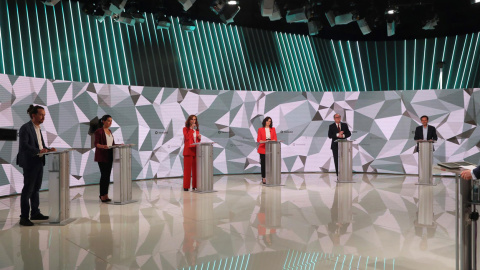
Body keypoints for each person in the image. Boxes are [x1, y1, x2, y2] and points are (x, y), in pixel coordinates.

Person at [17, 105, 56, 226]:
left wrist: (48, 150)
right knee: (28, 190)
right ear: (33, 115)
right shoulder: (25, 128)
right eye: (41, 114)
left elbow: (40, 145)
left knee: (36, 189)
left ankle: (35, 213)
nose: (43, 117)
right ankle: (24, 217)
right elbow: (24, 146)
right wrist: (39, 151)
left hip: (39, 162)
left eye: (44, 115)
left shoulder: (38, 128)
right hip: (30, 163)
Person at [94, 115, 116, 203]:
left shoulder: (110, 131)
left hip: (110, 155)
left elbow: (112, 143)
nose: (110, 123)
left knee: (107, 176)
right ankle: (102, 195)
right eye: (108, 121)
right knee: (104, 176)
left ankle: (106, 194)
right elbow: (96, 144)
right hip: (102, 156)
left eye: (111, 121)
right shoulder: (99, 131)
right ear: (103, 121)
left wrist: (119, 145)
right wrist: (103, 146)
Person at [257, 117, 277, 184]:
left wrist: (270, 141)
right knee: (263, 164)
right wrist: (265, 141)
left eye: (270, 121)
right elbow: (258, 140)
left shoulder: (273, 129)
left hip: (271, 149)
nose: (268, 122)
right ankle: (264, 178)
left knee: (271, 164)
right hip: (262, 149)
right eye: (267, 121)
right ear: (265, 121)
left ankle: (270, 177)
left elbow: (275, 139)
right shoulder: (260, 129)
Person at [183, 115, 201, 191]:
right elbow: (187, 138)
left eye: (195, 119)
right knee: (187, 170)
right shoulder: (185, 129)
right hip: (188, 151)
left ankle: (195, 185)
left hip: (195, 151)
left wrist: (199, 138)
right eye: (192, 119)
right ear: (189, 120)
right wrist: (191, 129)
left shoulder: (197, 131)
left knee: (195, 170)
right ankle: (186, 186)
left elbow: (196, 142)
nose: (194, 121)